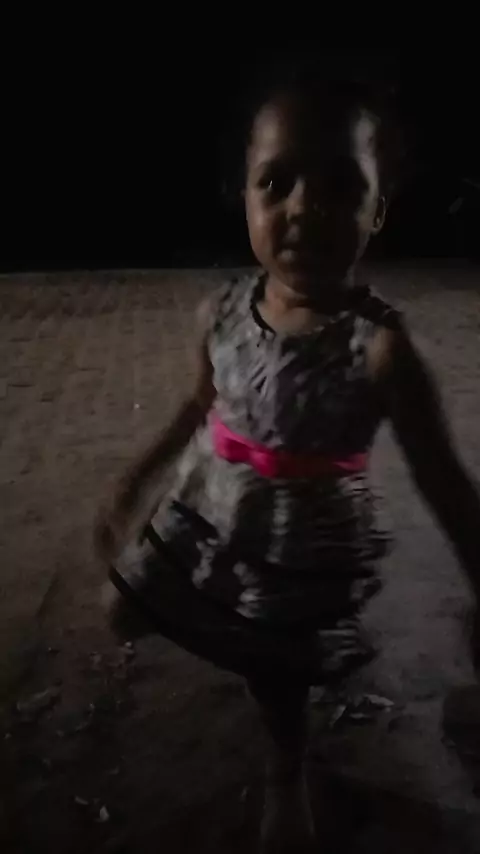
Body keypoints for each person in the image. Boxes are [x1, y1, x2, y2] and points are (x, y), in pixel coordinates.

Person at [96, 66, 480, 852]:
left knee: (277, 668)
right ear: (243, 197)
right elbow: (198, 403)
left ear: (378, 209)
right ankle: (235, 642)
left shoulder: (379, 347)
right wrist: (135, 479)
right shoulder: (220, 312)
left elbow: (443, 479)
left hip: (301, 535)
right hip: (210, 500)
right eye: (277, 182)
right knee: (121, 607)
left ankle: (285, 767)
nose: (305, 206)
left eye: (341, 185)